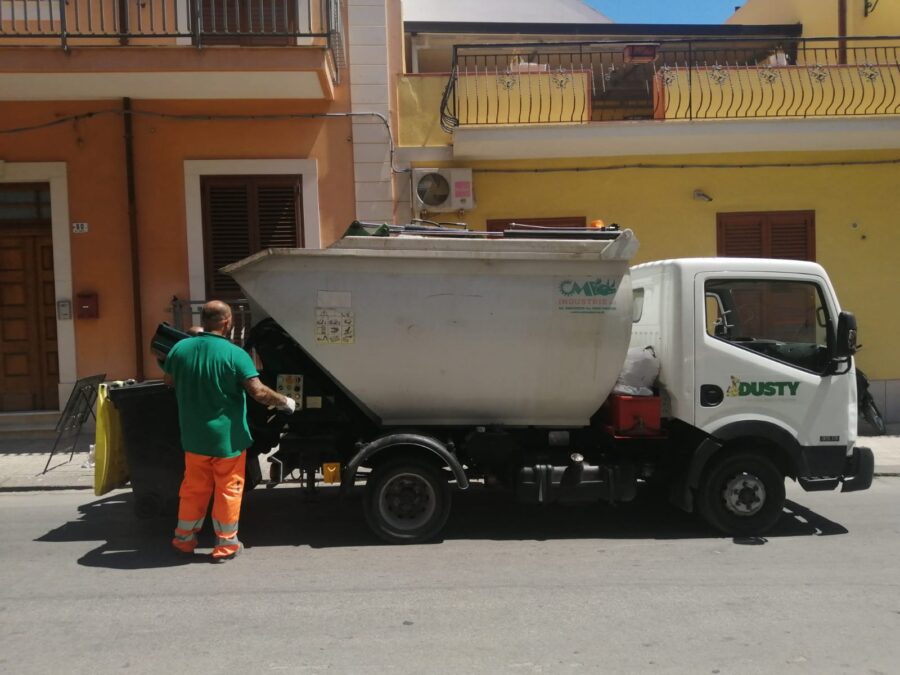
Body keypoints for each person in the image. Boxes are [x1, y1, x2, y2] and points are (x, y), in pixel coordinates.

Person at [163, 300, 296, 562]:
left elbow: (169, 381)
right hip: (227, 440)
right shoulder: (235, 354)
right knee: (228, 489)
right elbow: (258, 392)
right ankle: (225, 545)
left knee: (193, 489)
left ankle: (184, 540)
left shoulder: (179, 349)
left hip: (193, 437)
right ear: (226, 322)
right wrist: (284, 401)